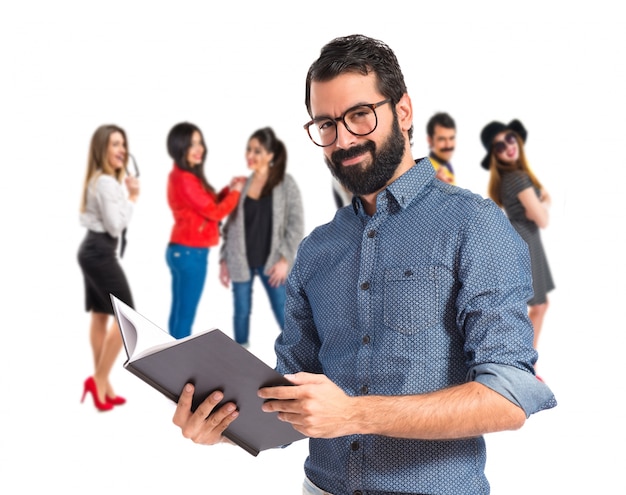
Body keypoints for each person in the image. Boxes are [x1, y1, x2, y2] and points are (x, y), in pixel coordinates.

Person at [172, 35, 557, 495]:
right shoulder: (316, 251)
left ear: (404, 111)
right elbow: (292, 402)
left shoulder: (474, 225)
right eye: (326, 124)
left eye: (359, 115)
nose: (344, 139)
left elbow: (508, 397)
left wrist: (354, 413)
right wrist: (223, 422)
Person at [218, 127, 304, 347]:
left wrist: (285, 259)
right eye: (249, 150)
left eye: (257, 151)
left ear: (270, 155)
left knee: (286, 316)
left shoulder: (286, 184)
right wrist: (223, 260)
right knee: (241, 313)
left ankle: (300, 362)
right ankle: (239, 360)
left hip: (273, 263)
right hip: (240, 262)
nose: (250, 155)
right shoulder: (241, 185)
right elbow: (229, 227)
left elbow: (296, 224)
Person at [77, 124, 140, 412]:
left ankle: (103, 384)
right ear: (102, 148)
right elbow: (116, 225)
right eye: (115, 144)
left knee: (101, 314)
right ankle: (99, 379)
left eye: (123, 144)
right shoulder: (106, 183)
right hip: (100, 251)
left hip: (92, 249)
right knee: (125, 314)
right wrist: (133, 198)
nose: (122, 150)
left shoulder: (99, 180)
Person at [480, 119, 555, 358]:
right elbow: (542, 219)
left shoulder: (510, 179)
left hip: (522, 241)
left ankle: (524, 364)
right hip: (527, 242)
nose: (508, 147)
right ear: (495, 155)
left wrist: (540, 200)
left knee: (533, 306)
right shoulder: (518, 178)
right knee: (537, 306)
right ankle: (525, 365)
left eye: (509, 139)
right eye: (499, 146)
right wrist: (542, 200)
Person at [165, 122, 245, 339]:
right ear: (179, 147)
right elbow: (215, 212)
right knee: (185, 315)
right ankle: (175, 367)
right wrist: (236, 193)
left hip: (183, 250)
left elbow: (208, 204)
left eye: (200, 142)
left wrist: (229, 189)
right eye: (192, 144)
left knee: (179, 312)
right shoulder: (185, 179)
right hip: (191, 253)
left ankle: (169, 361)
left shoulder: (184, 176)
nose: (199, 148)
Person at [426, 111, 456, 184]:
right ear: (430, 141)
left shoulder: (447, 167)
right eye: (442, 139)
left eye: (451, 138)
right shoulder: (427, 172)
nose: (448, 145)